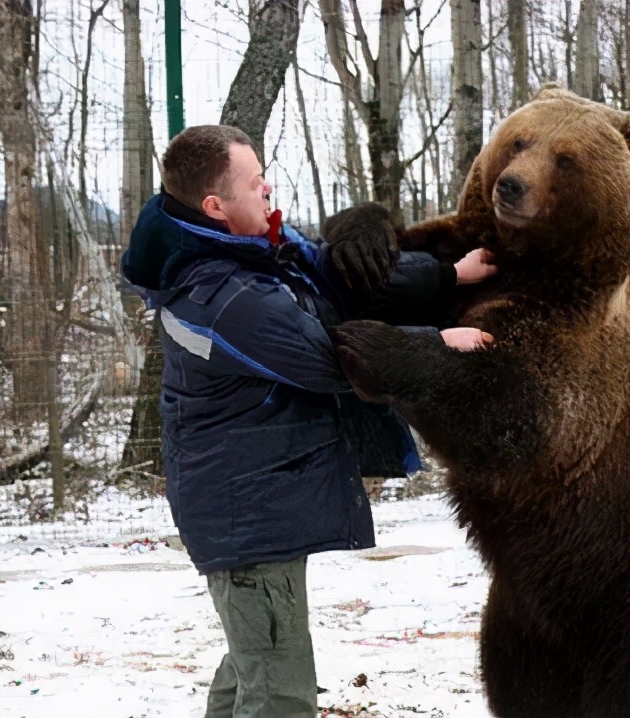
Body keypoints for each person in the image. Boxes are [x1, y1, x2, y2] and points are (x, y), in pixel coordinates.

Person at [119, 125, 495, 717]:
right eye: (253, 182)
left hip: (255, 508)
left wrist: (448, 275)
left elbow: (332, 271)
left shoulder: (247, 248)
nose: (267, 186)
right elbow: (329, 360)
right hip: (248, 517)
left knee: (254, 665)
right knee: (279, 692)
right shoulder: (223, 294)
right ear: (215, 206)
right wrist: (437, 343)